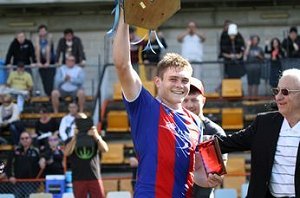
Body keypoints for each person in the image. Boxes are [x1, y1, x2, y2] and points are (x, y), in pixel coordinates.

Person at [113, 9, 221, 197]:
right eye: (173, 79)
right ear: (158, 82)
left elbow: (196, 173)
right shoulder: (145, 106)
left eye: (185, 80)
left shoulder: (196, 122)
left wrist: (209, 179)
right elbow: (123, 65)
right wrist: (125, 14)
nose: (180, 85)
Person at [216, 68, 300, 197]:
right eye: (276, 91)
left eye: (285, 92)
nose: (278, 97)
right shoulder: (264, 123)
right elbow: (226, 143)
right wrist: (193, 139)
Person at [182, 77, 227, 198]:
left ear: (203, 101)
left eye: (194, 100)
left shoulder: (213, 132)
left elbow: (215, 176)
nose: (189, 105)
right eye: (185, 100)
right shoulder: (173, 129)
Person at [64, 113, 108, 198]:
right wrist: (75, 137)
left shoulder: (94, 137)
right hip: (78, 177)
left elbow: (105, 149)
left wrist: (96, 136)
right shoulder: (71, 139)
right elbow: (66, 153)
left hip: (94, 176)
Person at [6, 131, 43, 198]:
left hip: (32, 183)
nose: (24, 140)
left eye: (26, 138)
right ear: (20, 140)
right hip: (18, 183)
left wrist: (43, 160)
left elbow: (43, 162)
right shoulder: (15, 151)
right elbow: (8, 165)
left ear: (30, 139)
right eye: (22, 138)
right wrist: (10, 176)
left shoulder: (36, 151)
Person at [34, 24, 56, 96]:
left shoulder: (49, 37)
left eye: (44, 31)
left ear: (46, 31)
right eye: (41, 31)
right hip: (41, 61)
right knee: (43, 81)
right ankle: (39, 61)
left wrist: (48, 62)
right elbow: (37, 46)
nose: (42, 32)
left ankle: (50, 95)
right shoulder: (37, 39)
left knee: (50, 81)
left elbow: (49, 45)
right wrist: (38, 62)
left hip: (50, 61)